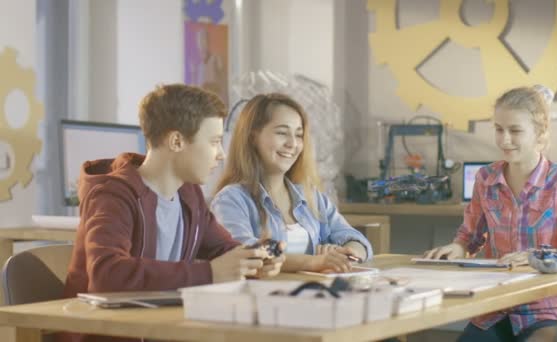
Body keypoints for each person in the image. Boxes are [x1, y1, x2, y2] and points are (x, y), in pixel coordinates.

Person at [61, 84, 285, 342]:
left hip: (160, 330)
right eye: (214, 142)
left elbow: (225, 249)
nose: (221, 155)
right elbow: (107, 275)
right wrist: (209, 274)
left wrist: (256, 259)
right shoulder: (113, 196)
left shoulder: (189, 195)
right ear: (176, 141)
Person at [423, 86, 557, 342]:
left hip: (543, 309)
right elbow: (469, 238)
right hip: (494, 308)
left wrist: (545, 256)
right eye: (499, 129)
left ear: (540, 134)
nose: (504, 140)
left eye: (515, 131)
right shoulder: (486, 178)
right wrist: (457, 247)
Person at [211, 93, 373, 274]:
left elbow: (357, 240)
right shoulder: (231, 199)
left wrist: (344, 254)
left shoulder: (311, 196)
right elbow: (246, 254)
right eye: (282, 133)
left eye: (299, 135)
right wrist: (314, 262)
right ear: (252, 138)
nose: (292, 144)